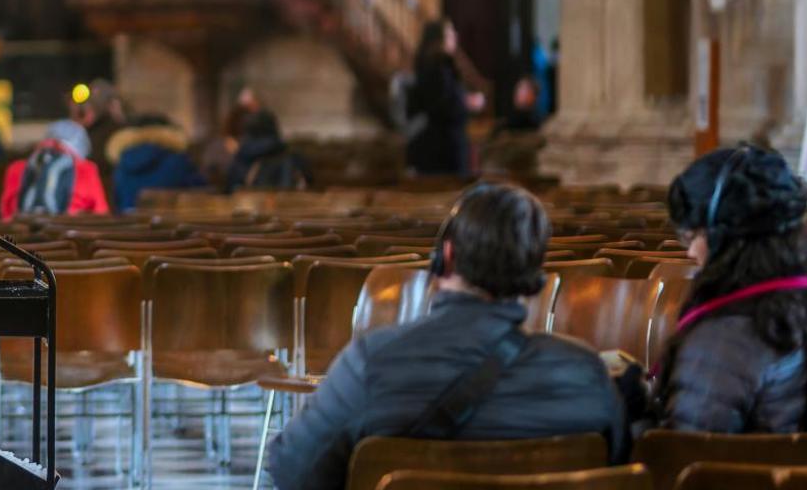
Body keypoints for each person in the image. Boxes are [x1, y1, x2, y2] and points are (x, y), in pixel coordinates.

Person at [266, 183, 626, 490]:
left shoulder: (371, 363)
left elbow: (292, 471)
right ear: (534, 270)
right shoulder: (586, 375)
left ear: (447, 255)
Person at [650, 144, 807, 432]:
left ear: (725, 240)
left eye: (695, 236)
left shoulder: (721, 346)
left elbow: (680, 454)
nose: (691, 252)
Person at [402, 19, 485, 177]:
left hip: (440, 146)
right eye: (449, 33)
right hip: (442, 149)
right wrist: (467, 102)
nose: (454, 36)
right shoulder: (437, 68)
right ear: (438, 40)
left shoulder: (434, 66)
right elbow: (440, 107)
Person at [1, 117, 110, 217]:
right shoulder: (87, 169)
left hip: (20, 236)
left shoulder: (16, 168)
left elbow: (6, 214)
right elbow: (101, 213)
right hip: (70, 234)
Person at [107, 114, 212, 211]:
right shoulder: (179, 161)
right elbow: (202, 192)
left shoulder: (122, 163)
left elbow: (117, 201)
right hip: (171, 226)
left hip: (127, 227)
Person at [229, 109, 312, 190]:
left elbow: (230, 188)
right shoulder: (291, 156)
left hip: (247, 201)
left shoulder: (242, 157)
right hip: (288, 201)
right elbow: (308, 181)